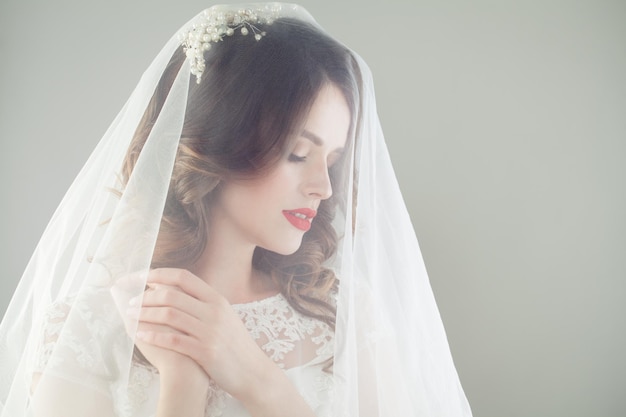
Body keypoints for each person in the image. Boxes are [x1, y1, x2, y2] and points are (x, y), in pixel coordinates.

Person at [0, 3, 472, 417]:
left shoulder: (344, 317)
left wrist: (255, 377)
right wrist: (183, 383)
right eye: (298, 154)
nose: (324, 188)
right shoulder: (84, 331)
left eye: (331, 161)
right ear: (219, 142)